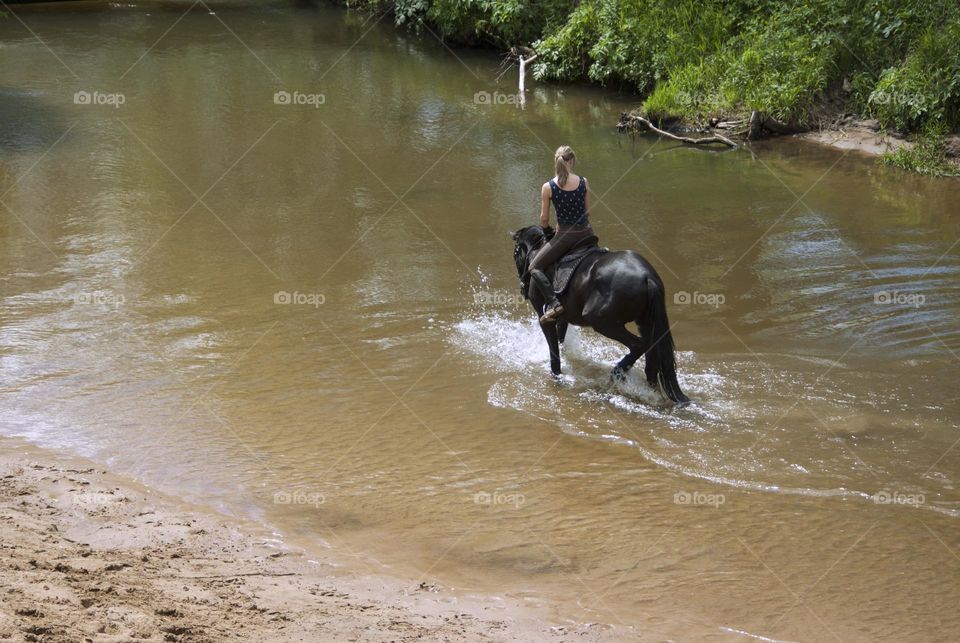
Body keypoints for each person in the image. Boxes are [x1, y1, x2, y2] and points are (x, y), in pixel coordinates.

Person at [527, 145, 597, 324]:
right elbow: (587, 211)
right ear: (572, 161)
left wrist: (548, 230)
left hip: (565, 236)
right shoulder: (584, 181)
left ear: (556, 161)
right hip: (587, 234)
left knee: (533, 267)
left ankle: (554, 303)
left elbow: (543, 220)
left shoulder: (548, 187)